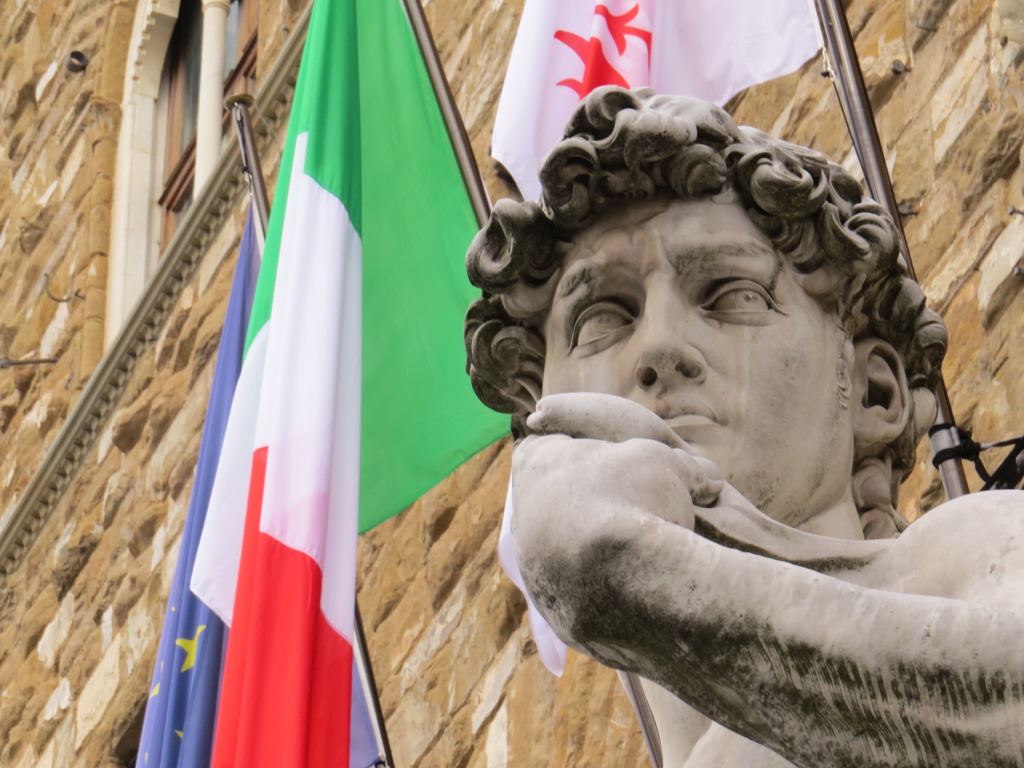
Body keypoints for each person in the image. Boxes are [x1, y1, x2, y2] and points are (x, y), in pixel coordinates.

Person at [464, 87, 1024, 767]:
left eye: (732, 295)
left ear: (872, 391)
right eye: (603, 318)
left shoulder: (971, 555)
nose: (659, 348)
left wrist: (656, 582)